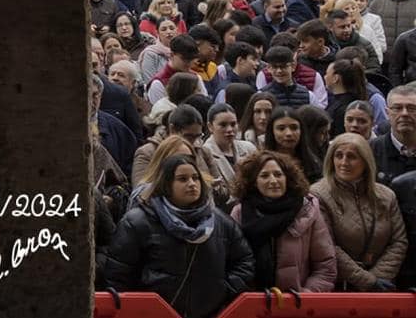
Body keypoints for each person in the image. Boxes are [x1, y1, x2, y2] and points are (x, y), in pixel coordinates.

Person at [104, 155, 254, 318]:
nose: (192, 184)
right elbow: (118, 275)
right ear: (166, 184)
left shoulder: (221, 222)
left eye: (195, 178)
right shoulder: (137, 222)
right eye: (182, 179)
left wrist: (222, 290)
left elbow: (245, 261)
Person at [311, 133, 408, 291]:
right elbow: (327, 246)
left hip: (382, 287)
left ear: (365, 161)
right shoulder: (318, 195)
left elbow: (399, 242)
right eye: (339, 156)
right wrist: (367, 281)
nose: (344, 162)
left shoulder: (386, 195)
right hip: (337, 287)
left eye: (351, 157)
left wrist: (378, 278)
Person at [229, 150, 336, 292]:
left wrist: (306, 295)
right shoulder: (239, 213)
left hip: (298, 305)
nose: (273, 181)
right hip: (253, 304)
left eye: (278, 174)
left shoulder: (307, 211)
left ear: (288, 178)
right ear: (254, 182)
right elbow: (232, 264)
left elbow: (325, 267)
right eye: (265, 176)